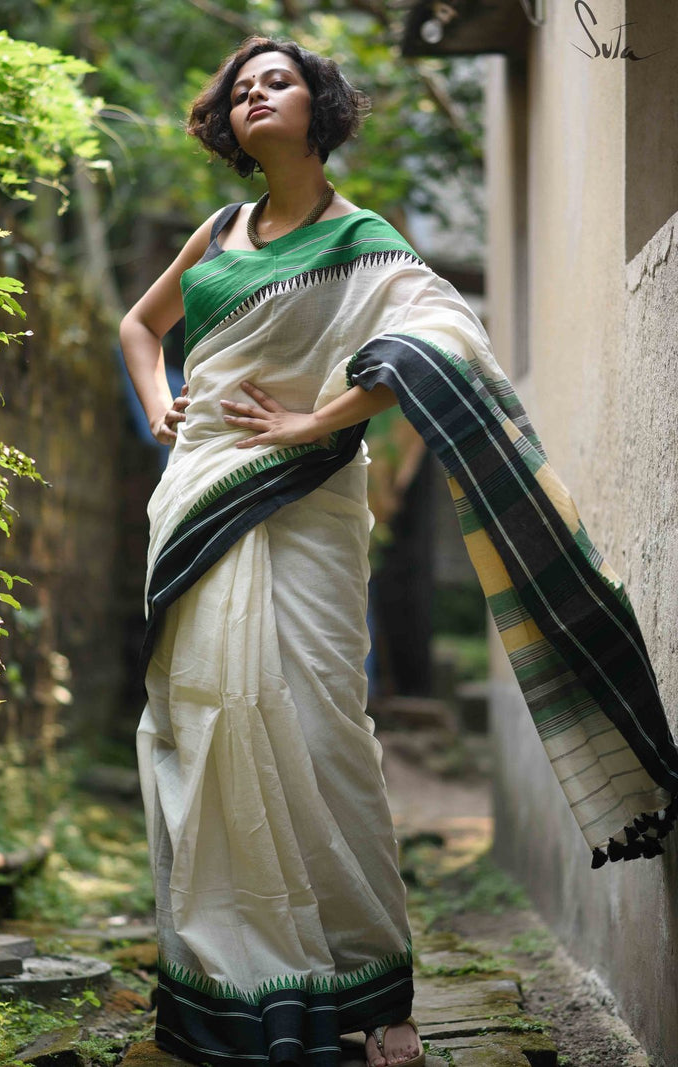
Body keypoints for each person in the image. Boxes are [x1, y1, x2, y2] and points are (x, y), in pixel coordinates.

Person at [120, 35, 678, 1067]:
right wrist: (164, 410)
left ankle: (375, 989)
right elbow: (138, 328)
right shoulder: (219, 228)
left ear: (318, 105)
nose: (254, 96)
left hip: (308, 501)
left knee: (323, 725)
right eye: (239, 89)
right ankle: (237, 976)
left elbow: (437, 342)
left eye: (275, 81)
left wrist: (310, 420)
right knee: (202, 720)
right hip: (198, 492)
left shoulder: (363, 238)